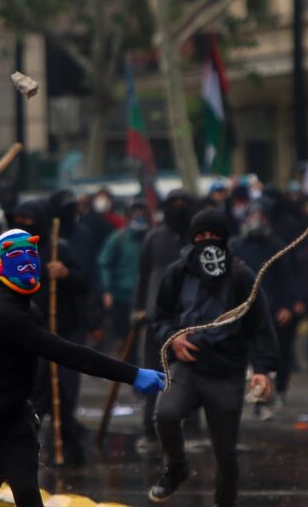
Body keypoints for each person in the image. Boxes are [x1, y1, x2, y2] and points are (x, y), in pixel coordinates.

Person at [0, 228, 166, 507]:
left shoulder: (29, 312)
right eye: (15, 254)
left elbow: (26, 382)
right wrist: (131, 373)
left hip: (10, 414)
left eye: (31, 253)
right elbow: (69, 354)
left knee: (26, 491)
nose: (26, 261)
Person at [149, 208, 278, 507]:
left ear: (225, 239)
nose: (208, 242)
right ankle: (176, 467)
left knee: (225, 453)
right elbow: (161, 318)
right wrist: (174, 338)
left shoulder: (241, 274)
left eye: (214, 236)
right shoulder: (178, 273)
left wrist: (263, 369)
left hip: (227, 372)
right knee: (165, 414)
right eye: (202, 236)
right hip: (188, 368)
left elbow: (261, 326)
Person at [11, 200, 90, 466]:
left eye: (28, 219)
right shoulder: (15, 252)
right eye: (18, 218)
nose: (22, 223)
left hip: (59, 331)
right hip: (29, 333)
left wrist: (65, 273)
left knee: (62, 393)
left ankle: (69, 450)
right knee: (34, 395)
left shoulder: (58, 248)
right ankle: (26, 450)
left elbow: (84, 282)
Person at [134, 189, 193, 450]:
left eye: (183, 203)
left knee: (190, 375)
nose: (179, 208)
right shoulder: (154, 237)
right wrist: (138, 308)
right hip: (156, 316)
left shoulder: (195, 238)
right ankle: (149, 429)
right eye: (174, 204)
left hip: (189, 317)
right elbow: (144, 274)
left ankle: (189, 431)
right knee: (154, 371)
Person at [229, 198, 296, 412]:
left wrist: (287, 305)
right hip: (242, 310)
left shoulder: (277, 246)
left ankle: (276, 390)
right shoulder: (236, 245)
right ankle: (255, 395)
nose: (257, 221)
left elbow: (287, 278)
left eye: (262, 217)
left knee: (275, 353)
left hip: (272, 309)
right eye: (253, 216)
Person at [98, 199, 150, 364]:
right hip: (122, 296)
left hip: (146, 297)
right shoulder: (118, 238)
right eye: (135, 212)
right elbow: (104, 263)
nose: (139, 215)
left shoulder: (152, 237)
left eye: (142, 212)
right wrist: (107, 290)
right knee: (126, 335)